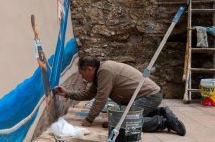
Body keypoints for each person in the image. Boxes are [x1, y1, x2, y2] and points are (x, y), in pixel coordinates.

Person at [54, 56, 186, 136]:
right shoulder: (100, 74)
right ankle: (160, 112)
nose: (82, 76)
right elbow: (89, 94)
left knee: (121, 123)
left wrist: (89, 119)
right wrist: (67, 93)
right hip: (141, 98)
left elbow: (101, 98)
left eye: (82, 73)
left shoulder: (105, 71)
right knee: (115, 120)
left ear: (89, 69)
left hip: (150, 96)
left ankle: (163, 122)